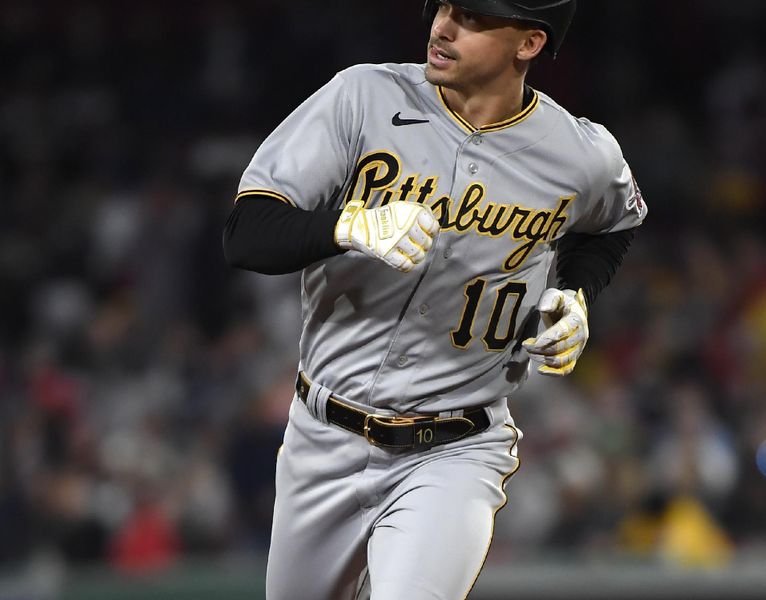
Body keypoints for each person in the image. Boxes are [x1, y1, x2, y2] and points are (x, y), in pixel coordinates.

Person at [223, 0, 647, 597]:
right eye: (443, 7)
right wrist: (347, 226)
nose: (442, 27)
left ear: (528, 44)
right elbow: (247, 234)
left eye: (471, 18)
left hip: (456, 448)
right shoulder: (362, 96)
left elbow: (613, 225)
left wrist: (575, 294)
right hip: (323, 435)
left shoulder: (581, 153)